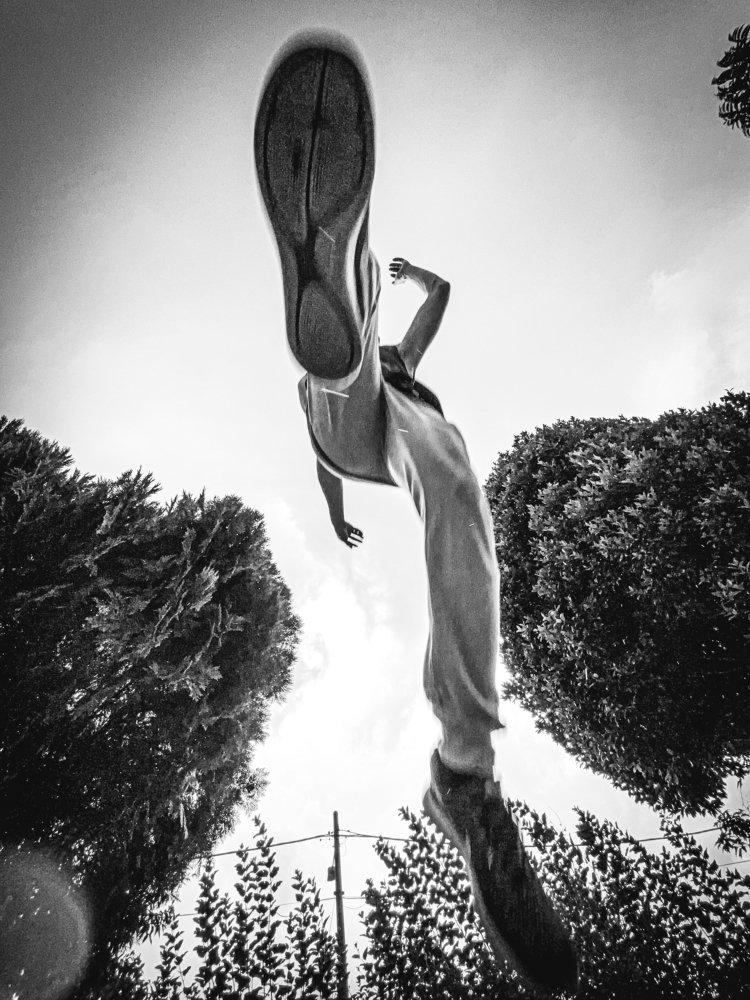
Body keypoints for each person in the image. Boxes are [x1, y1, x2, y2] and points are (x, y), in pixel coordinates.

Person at [254, 32, 579, 994]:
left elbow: (439, 305)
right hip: (350, 424)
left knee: (453, 480)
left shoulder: (408, 369)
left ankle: (464, 781)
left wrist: (421, 284)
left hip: (376, 431)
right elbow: (325, 462)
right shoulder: (395, 370)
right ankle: (338, 285)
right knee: (354, 379)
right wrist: (332, 508)